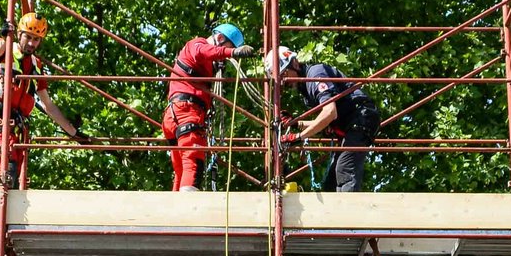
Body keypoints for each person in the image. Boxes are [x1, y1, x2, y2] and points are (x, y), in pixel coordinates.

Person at [0, 12, 87, 189]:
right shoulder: (7, 48)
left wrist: (72, 132)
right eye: (29, 37)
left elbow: (48, 105)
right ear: (18, 34)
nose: (32, 43)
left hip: (17, 124)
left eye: (37, 39)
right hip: (0, 116)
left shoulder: (36, 65)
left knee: (14, 174)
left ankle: (4, 213)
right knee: (6, 168)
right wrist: (4, 35)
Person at [267, 46, 381, 192]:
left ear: (294, 64)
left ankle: (350, 212)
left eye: (284, 75)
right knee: (331, 182)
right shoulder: (305, 87)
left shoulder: (315, 74)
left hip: (360, 118)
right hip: (350, 123)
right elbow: (324, 119)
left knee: (345, 169)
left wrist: (299, 136)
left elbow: (329, 113)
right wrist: (295, 124)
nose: (284, 82)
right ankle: (336, 213)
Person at [162, 23, 258, 191]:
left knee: (181, 169)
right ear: (219, 38)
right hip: (186, 111)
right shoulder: (197, 44)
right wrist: (233, 52)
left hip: (175, 114)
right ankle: (189, 210)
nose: (224, 59)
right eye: (226, 50)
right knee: (193, 161)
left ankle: (175, 206)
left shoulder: (204, 64)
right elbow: (203, 51)